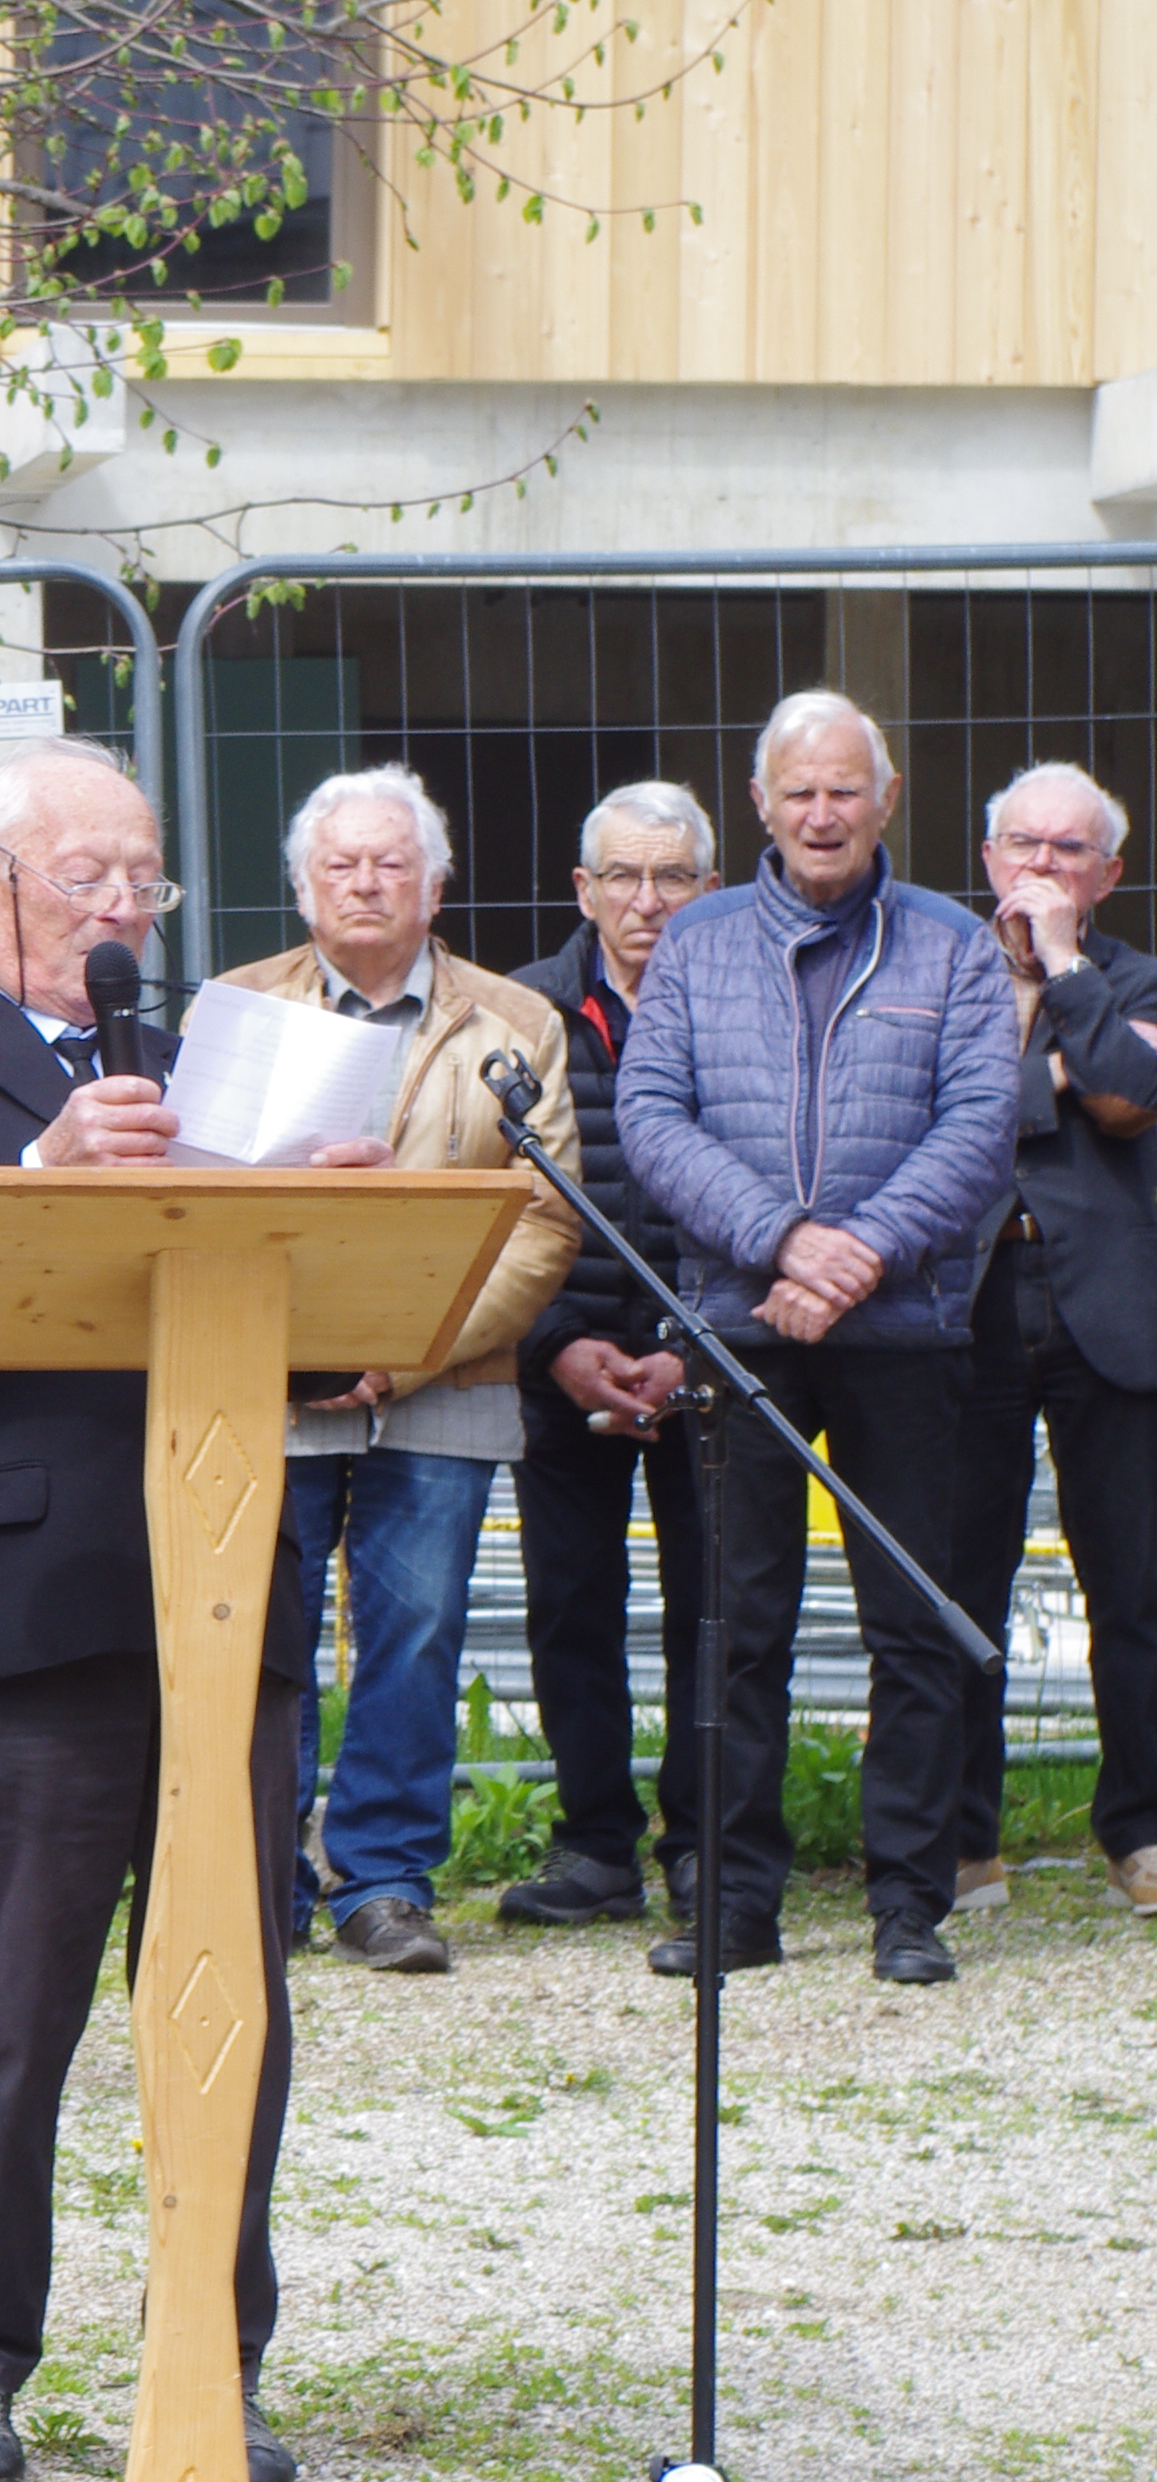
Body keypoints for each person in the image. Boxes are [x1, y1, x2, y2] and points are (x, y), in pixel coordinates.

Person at [0, 737, 316, 2482]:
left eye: (141, 876)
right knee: (11, 2012)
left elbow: (303, 1335)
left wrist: (325, 1223)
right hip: (26, 1602)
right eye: (83, 871)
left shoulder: (206, 1073)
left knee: (232, 2000)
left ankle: (206, 2363)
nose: (117, 906)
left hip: (225, 1590)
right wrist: (37, 1155)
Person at [616, 688, 1017, 1988]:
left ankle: (911, 1901)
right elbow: (653, 1118)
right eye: (799, 791)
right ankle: (735, 1902)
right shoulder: (697, 942)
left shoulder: (953, 947)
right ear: (760, 807)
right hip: (743, 1327)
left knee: (912, 1619)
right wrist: (786, 1239)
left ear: (886, 800)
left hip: (906, 1328)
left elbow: (978, 1129)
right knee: (738, 1622)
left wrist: (857, 1257)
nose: (823, 812)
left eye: (846, 788)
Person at [216, 766, 577, 1976]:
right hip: (273, 1375)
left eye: (389, 863)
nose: (364, 883)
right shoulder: (236, 1006)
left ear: (434, 883)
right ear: (301, 886)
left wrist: (405, 1348)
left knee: (415, 1630)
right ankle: (259, 1871)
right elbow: (197, 1194)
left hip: (448, 1380)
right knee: (263, 1624)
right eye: (339, 864)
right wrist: (307, 1344)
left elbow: (541, 1222)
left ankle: (379, 1881)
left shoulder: (513, 1023)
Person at [496, 781, 720, 1930]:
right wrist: (555, 1345)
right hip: (557, 1358)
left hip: (707, 1365)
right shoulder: (521, 1013)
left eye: (671, 876)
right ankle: (593, 1846)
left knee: (711, 1607)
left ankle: (701, 1844)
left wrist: (694, 1348)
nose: (646, 902)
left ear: (709, 888)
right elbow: (490, 1198)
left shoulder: (742, 1010)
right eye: (621, 877)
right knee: (569, 1604)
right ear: (581, 890)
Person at [946, 763, 1157, 1921]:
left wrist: (1065, 970)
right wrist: (1052, 1078)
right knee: (955, 1581)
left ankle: (1137, 1829)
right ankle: (959, 1836)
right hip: (964, 1305)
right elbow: (946, 1108)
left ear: (1105, 875)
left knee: (1132, 1587)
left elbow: (1128, 1094)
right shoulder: (936, 971)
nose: (1039, 866)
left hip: (1110, 1314)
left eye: (1066, 851)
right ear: (984, 857)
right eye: (1020, 844)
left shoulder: (1135, 976)